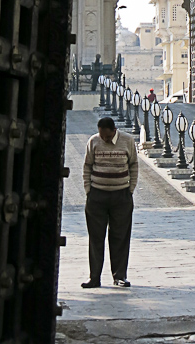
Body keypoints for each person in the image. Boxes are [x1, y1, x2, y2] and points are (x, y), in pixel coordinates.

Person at [81, 117, 138, 288]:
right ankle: (94, 277)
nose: (104, 139)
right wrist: (88, 191)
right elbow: (87, 166)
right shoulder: (93, 141)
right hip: (97, 195)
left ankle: (119, 276)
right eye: (101, 136)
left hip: (121, 195)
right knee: (96, 237)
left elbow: (134, 164)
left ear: (114, 130)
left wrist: (130, 189)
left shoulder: (127, 141)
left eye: (106, 136)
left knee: (120, 237)